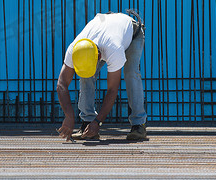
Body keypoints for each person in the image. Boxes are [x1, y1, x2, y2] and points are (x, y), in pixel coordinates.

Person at [56, 10, 147, 141]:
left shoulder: (113, 49)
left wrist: (98, 122)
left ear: (99, 56)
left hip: (132, 33)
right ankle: (87, 123)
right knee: (86, 76)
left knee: (131, 74)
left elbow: (112, 90)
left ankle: (139, 125)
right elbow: (61, 84)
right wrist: (69, 116)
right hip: (107, 30)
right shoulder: (74, 49)